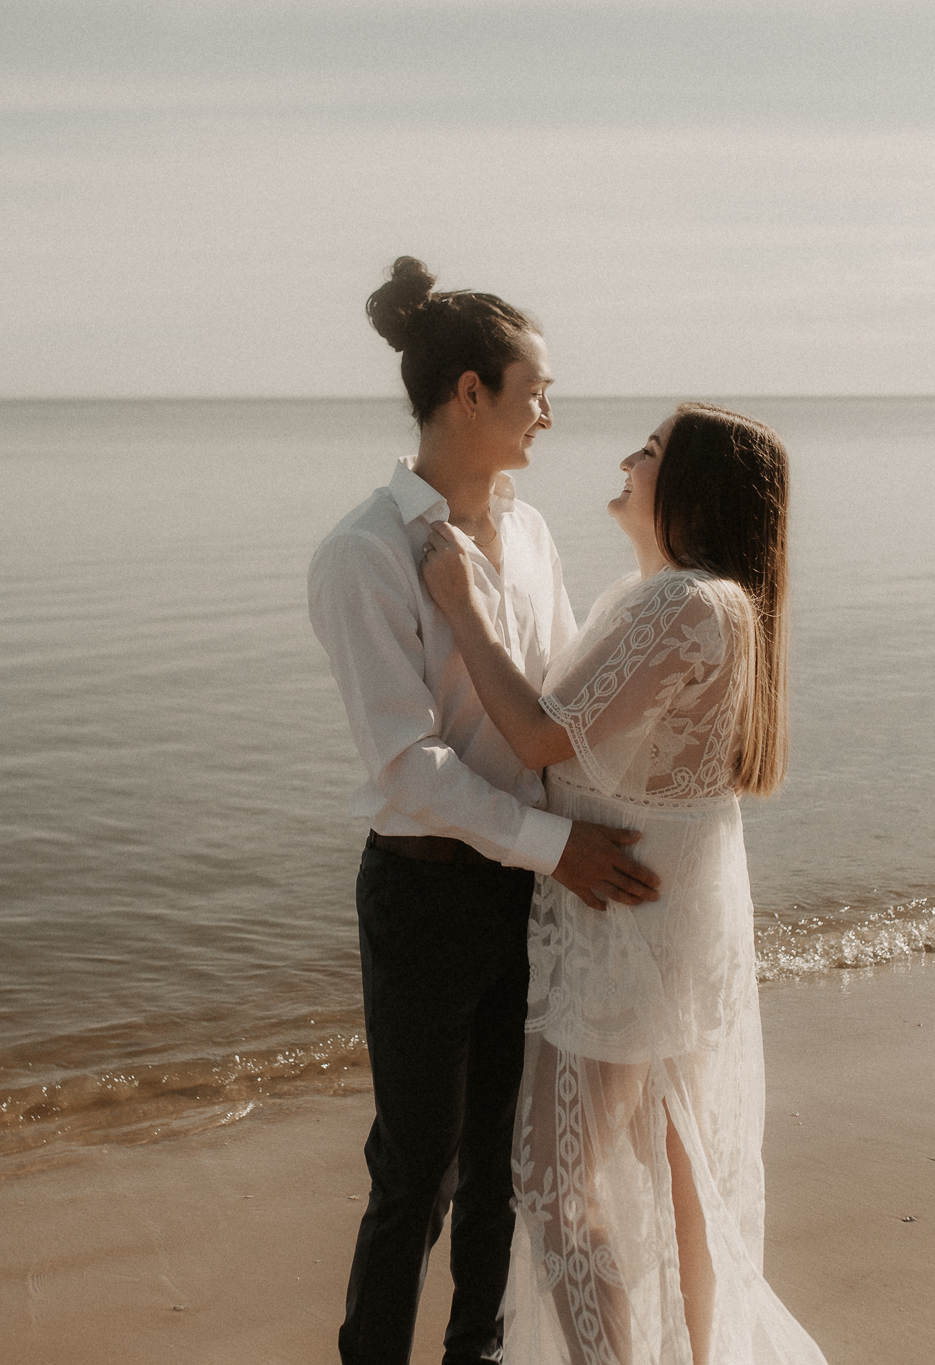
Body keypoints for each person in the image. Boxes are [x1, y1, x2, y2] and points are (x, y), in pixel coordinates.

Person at [308, 257, 665, 1365]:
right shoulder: (363, 553)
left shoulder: (532, 534)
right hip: (422, 894)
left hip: (535, 888)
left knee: (508, 1169)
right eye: (533, 392)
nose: (549, 416)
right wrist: (559, 849)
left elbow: (550, 708)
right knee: (416, 1170)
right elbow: (409, 768)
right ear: (468, 392)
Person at [420, 404, 828, 1364]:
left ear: (691, 488)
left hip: (628, 922)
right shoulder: (686, 598)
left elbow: (536, 736)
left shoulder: (683, 603)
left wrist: (460, 600)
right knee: (677, 1165)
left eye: (647, 453)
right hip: (659, 910)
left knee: (555, 1178)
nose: (624, 459)